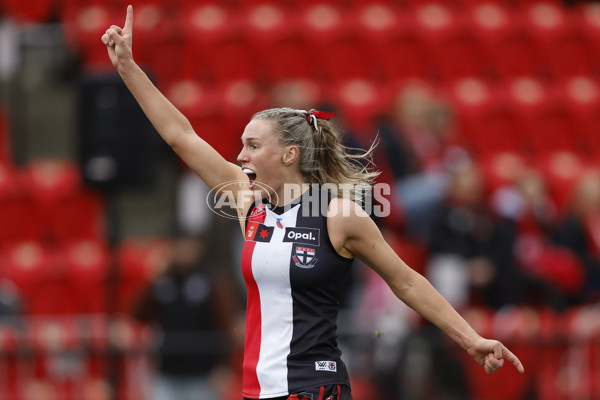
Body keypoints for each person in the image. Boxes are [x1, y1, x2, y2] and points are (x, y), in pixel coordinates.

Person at [101, 6, 524, 399]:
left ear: (289, 155)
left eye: (252, 145)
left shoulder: (338, 214)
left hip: (315, 389)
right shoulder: (250, 203)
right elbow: (182, 136)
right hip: (258, 391)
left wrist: (471, 338)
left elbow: (407, 281)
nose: (241, 156)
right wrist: (129, 69)